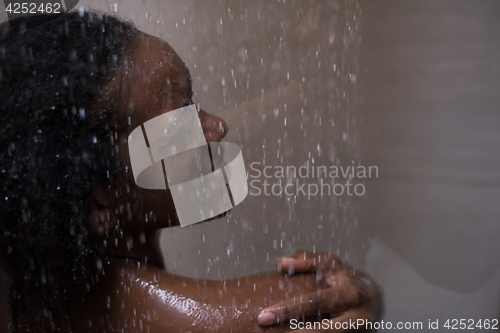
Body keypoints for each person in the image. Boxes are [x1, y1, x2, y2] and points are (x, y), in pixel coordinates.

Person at [0, 12, 382, 333]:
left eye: (194, 105)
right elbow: (329, 301)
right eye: (182, 116)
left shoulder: (43, 291)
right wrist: (364, 289)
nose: (217, 126)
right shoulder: (157, 312)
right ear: (97, 194)